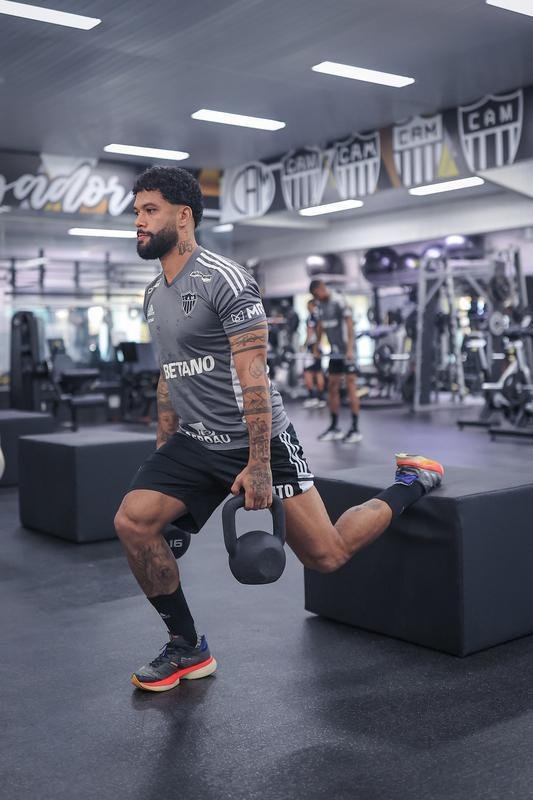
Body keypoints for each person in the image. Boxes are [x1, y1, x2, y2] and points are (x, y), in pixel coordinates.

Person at [114, 166, 444, 693]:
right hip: (197, 441)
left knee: (328, 555)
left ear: (183, 216)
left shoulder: (226, 280)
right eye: (136, 212)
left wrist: (260, 464)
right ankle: (186, 647)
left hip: (256, 440)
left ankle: (412, 483)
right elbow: (168, 378)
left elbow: (256, 380)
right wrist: (164, 454)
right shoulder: (154, 294)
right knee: (133, 522)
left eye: (148, 210)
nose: (139, 222)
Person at [309, 279, 361, 443]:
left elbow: (350, 326)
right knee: (332, 386)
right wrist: (316, 346)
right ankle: (334, 427)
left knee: (351, 386)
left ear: (321, 288)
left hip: (348, 352)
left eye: (316, 294)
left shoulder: (339, 301)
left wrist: (350, 349)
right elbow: (321, 327)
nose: (316, 298)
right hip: (335, 352)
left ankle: (355, 429)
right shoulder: (321, 305)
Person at [302, 299, 326, 408]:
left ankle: (313, 397)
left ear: (311, 305)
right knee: (318, 371)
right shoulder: (320, 316)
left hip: (312, 348)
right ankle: (321, 398)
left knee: (308, 372)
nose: (307, 308)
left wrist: (305, 344)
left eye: (308, 306)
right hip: (318, 347)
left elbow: (310, 332)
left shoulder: (311, 317)